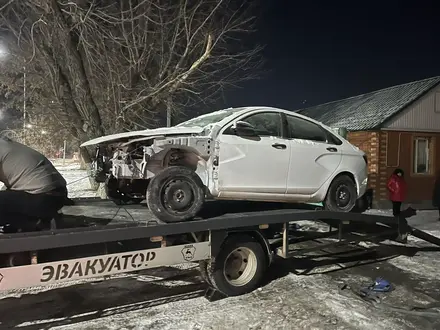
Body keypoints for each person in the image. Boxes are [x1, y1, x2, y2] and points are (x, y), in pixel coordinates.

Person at [0, 136, 71, 232]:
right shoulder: (5, 145)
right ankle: (24, 222)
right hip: (57, 195)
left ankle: (32, 222)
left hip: (44, 199)